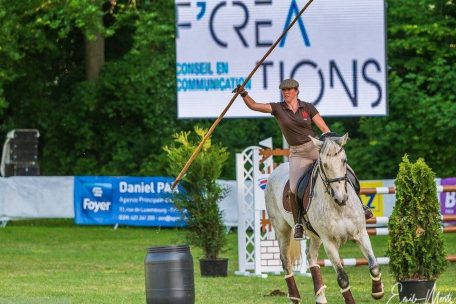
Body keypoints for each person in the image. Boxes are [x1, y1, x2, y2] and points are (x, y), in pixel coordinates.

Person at [234, 79, 372, 240]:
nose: (286, 92)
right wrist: (244, 94)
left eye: (289, 90)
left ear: (297, 91)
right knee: (293, 188)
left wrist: (328, 138)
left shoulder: (307, 107)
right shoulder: (278, 108)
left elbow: (323, 127)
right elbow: (254, 106)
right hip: (298, 153)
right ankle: (299, 223)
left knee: (345, 171)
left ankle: (361, 206)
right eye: (284, 90)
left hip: (314, 147)